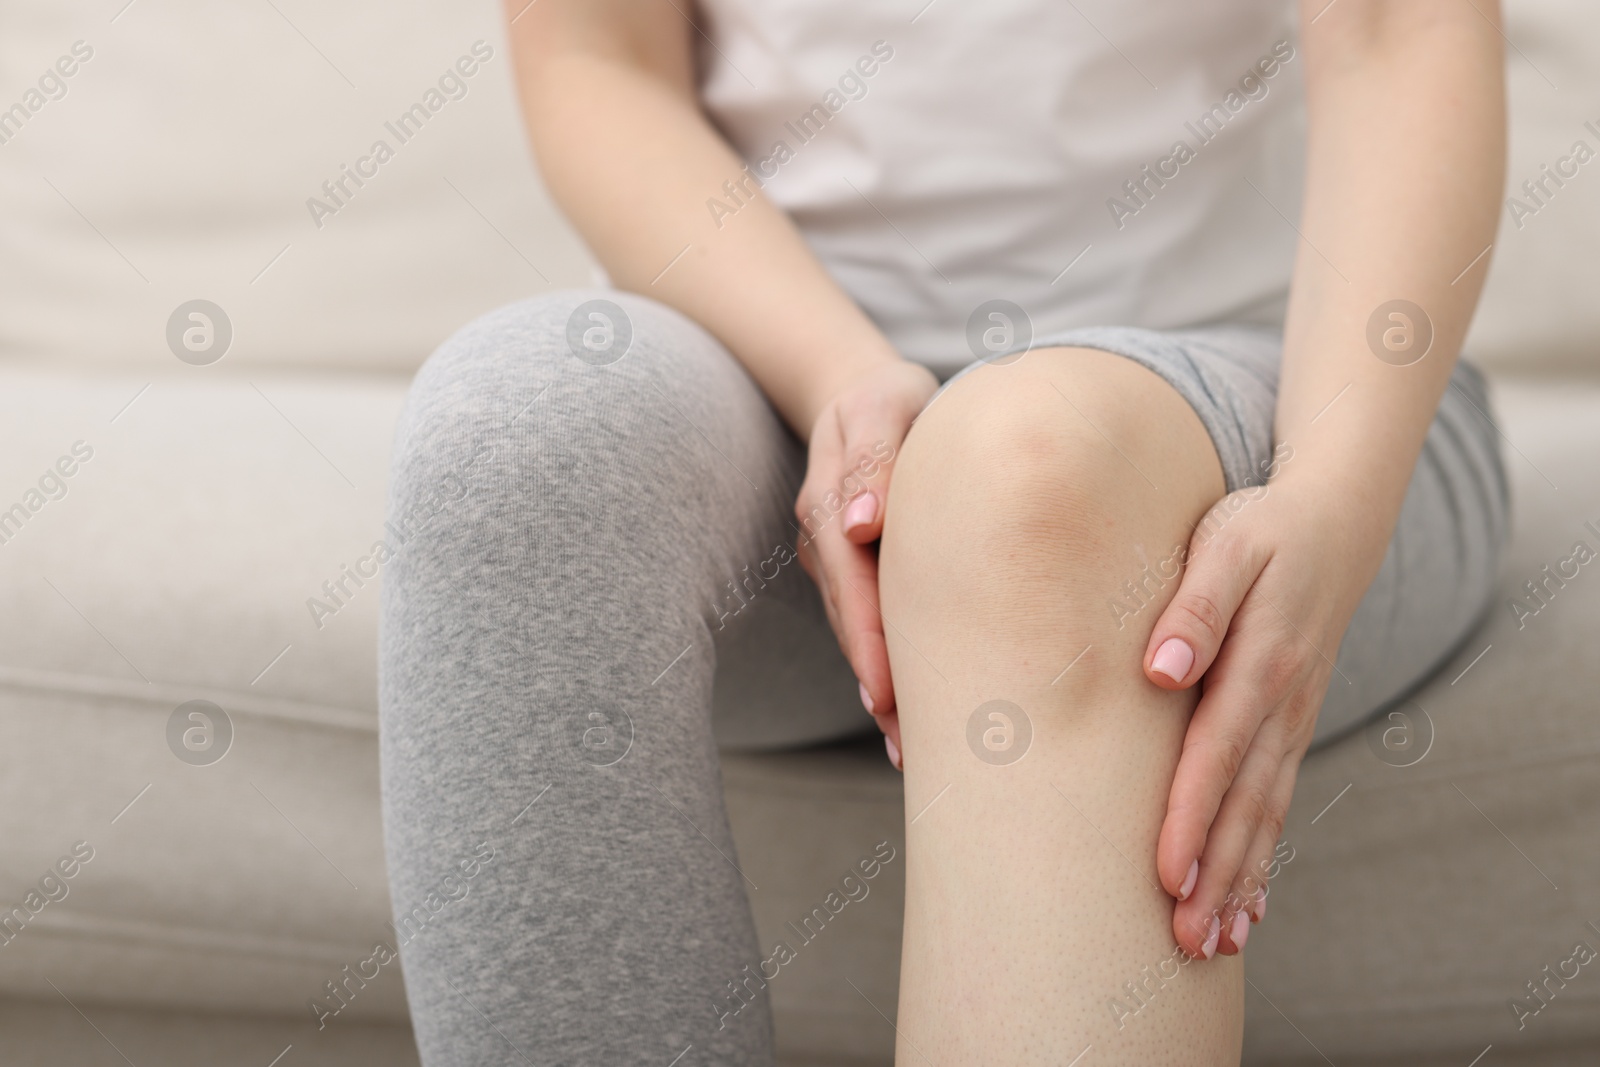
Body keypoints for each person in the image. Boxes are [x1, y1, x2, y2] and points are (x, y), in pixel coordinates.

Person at [377, 1, 1509, 1062]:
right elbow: (596, 60)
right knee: (510, 445)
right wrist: (842, 378)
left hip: (1284, 394)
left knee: (1023, 473)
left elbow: (1396, 32)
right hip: (773, 368)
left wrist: (1328, 496)